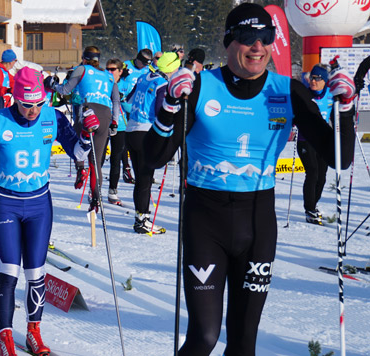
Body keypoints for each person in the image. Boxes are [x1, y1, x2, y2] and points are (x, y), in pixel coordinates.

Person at [144, 3, 356, 354]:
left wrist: (345, 109)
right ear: (228, 42)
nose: (257, 46)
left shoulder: (288, 91)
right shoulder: (200, 87)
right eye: (247, 37)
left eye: (266, 37)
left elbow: (340, 159)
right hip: (205, 221)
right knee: (204, 337)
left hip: (257, 223)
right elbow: (154, 157)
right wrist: (169, 104)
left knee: (244, 342)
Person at [0, 67, 94, 356]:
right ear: (15, 99)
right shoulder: (0, 120)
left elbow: (78, 152)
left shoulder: (52, 117)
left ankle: (33, 332)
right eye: (27, 104)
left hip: (39, 204)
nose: (33, 110)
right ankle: (6, 338)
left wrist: (86, 134)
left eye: (38, 103)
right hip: (6, 204)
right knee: (10, 271)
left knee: (36, 273)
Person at [47, 46, 121, 212]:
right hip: (106, 114)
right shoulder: (109, 76)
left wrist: (52, 84)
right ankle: (96, 198)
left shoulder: (82, 69)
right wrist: (114, 121)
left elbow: (65, 89)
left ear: (85, 58)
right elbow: (116, 101)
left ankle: (81, 168)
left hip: (87, 109)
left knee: (76, 140)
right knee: (96, 161)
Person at [126, 52, 180, 234]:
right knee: (145, 179)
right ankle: (142, 220)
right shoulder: (163, 84)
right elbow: (160, 112)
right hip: (145, 132)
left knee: (141, 179)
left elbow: (129, 99)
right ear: (171, 68)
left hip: (131, 130)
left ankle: (140, 217)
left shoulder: (144, 76)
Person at [299, 64, 332, 225]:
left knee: (322, 177)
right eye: (312, 77)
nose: (314, 81)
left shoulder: (330, 96)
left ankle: (314, 205)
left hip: (322, 141)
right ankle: (309, 209)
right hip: (305, 140)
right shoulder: (304, 95)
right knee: (312, 172)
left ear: (324, 81)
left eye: (318, 79)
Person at [116, 49, 155, 186]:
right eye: (143, 63)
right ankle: (126, 168)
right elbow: (114, 79)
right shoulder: (126, 65)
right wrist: (121, 77)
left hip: (139, 109)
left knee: (141, 139)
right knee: (126, 139)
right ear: (137, 58)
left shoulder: (148, 69)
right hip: (123, 105)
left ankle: (143, 171)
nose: (144, 66)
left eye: (147, 64)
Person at [104, 58, 133, 206]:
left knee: (116, 160)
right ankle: (93, 190)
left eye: (113, 69)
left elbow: (130, 107)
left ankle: (112, 191)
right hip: (103, 125)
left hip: (120, 126)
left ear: (120, 72)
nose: (109, 71)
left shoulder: (126, 85)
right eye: (107, 68)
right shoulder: (103, 83)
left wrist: (122, 100)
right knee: (99, 159)